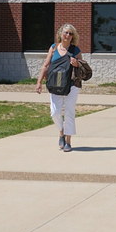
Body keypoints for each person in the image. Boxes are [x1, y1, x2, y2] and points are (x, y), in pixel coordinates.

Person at [35, 23, 84, 152]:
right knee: (55, 112)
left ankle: (68, 141)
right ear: (60, 34)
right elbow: (46, 65)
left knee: (69, 112)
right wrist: (39, 82)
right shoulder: (53, 48)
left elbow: (83, 68)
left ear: (73, 36)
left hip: (71, 85)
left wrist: (77, 64)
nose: (68, 35)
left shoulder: (75, 50)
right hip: (55, 84)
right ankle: (61, 132)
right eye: (66, 32)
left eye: (70, 33)